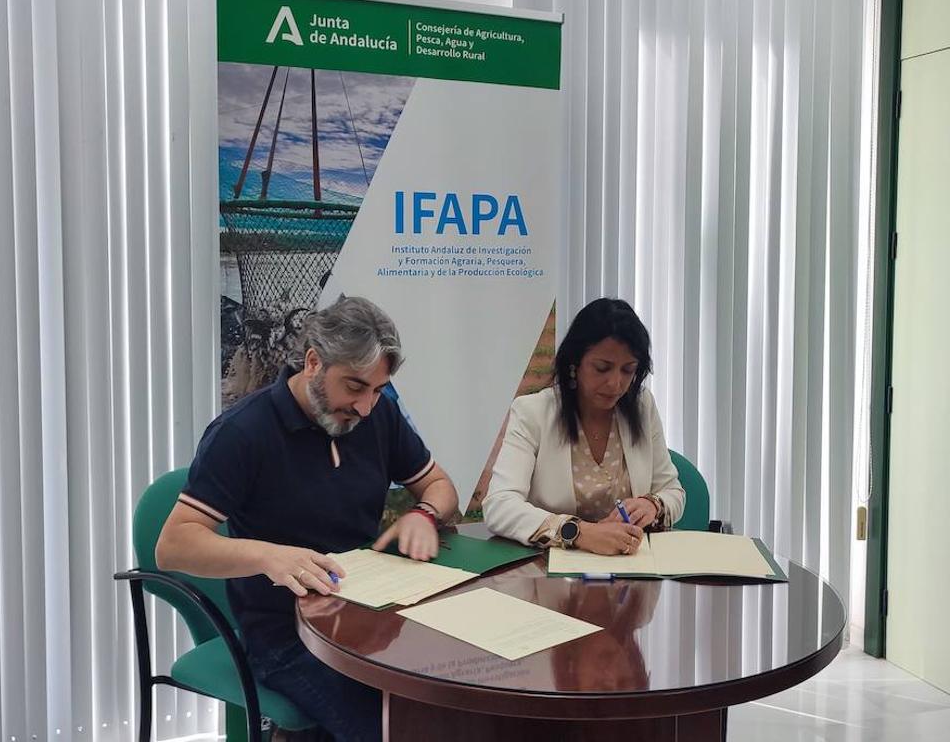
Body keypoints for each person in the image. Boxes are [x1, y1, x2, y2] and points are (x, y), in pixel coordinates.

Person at [156, 296, 459, 742]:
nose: (366, 407)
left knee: (443, 704)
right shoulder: (243, 432)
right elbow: (174, 545)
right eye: (355, 387)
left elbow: (440, 485)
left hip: (370, 618)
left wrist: (424, 513)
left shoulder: (378, 416)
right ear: (314, 361)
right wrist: (269, 556)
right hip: (286, 634)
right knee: (387, 729)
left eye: (378, 389)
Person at [483, 298, 684, 554]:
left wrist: (653, 505)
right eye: (602, 368)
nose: (615, 383)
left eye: (628, 370)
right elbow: (499, 506)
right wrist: (578, 533)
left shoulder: (641, 405)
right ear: (574, 365)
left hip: (629, 570)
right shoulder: (532, 412)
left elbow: (673, 491)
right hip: (551, 575)